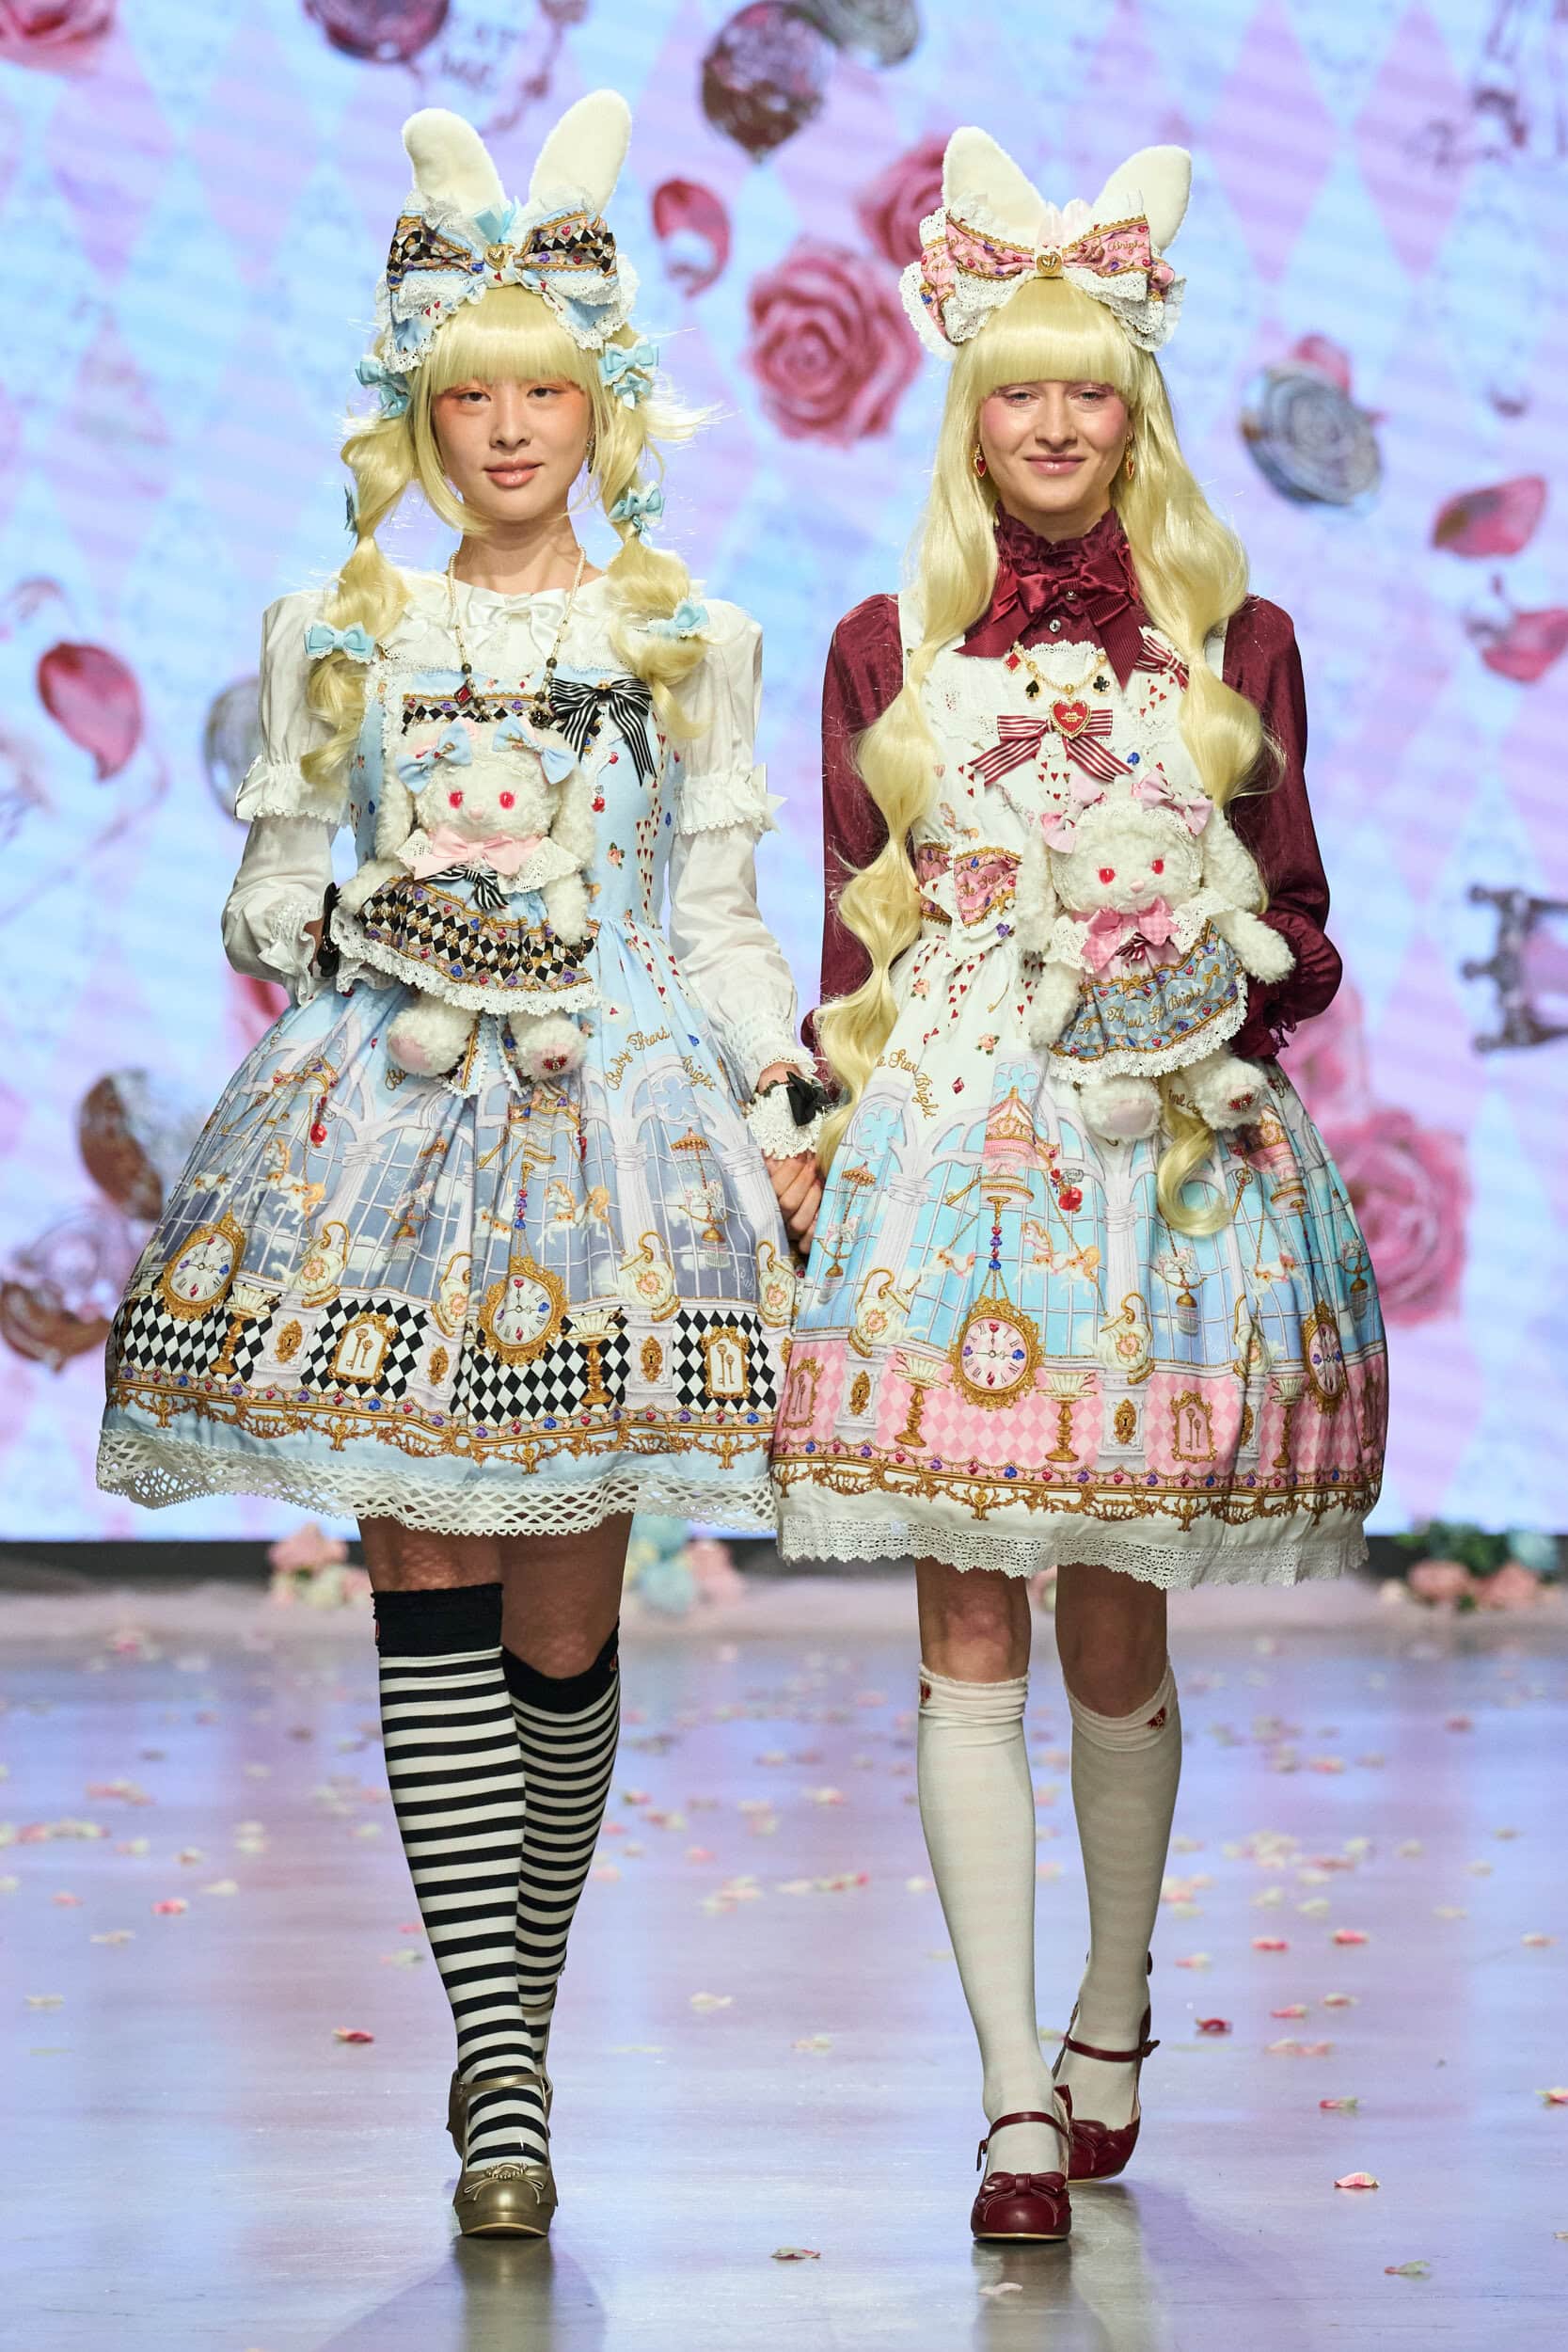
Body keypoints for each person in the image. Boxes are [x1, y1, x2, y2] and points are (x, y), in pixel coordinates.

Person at [98, 94, 821, 2237]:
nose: (508, 430)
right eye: (470, 394)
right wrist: (350, 899)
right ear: (416, 409)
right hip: (389, 1126)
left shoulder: (693, 635)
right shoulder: (339, 627)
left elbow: (718, 918)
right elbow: (265, 894)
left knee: (567, 1612)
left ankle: (531, 2010)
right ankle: (495, 2071)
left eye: (545, 391)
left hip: (612, 1130)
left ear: (604, 406)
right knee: (420, 1568)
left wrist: (781, 1098)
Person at [771, 132, 1387, 2244]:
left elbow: (1301, 924)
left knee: (1115, 1617)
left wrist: (1186, 978)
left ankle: (1112, 2012)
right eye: (1017, 388)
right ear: (965, 408)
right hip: (950, 1171)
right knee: (964, 1619)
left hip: (1161, 1177)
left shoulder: (1237, 641)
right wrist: (821, 1136)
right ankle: (1009, 2096)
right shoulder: (882, 647)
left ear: (1138, 410)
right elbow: (853, 948)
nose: (1052, 424)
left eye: (1090, 390)